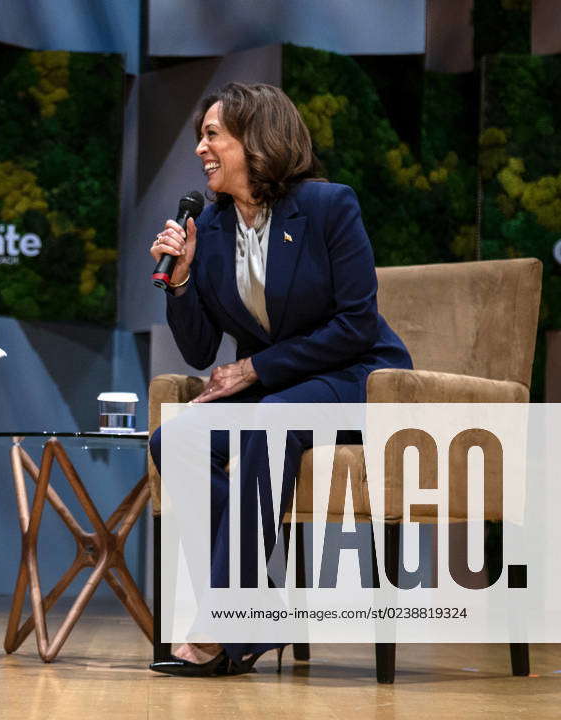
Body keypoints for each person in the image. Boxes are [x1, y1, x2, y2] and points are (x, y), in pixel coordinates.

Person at [146, 82, 412, 676]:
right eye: (201, 137)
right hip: (283, 388)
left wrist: (255, 368)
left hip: (357, 376)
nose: (200, 150)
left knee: (272, 420)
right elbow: (196, 349)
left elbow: (356, 323)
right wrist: (183, 280)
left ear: (256, 139)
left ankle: (227, 622)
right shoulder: (210, 229)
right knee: (176, 438)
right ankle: (260, 605)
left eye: (213, 135)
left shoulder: (328, 206)